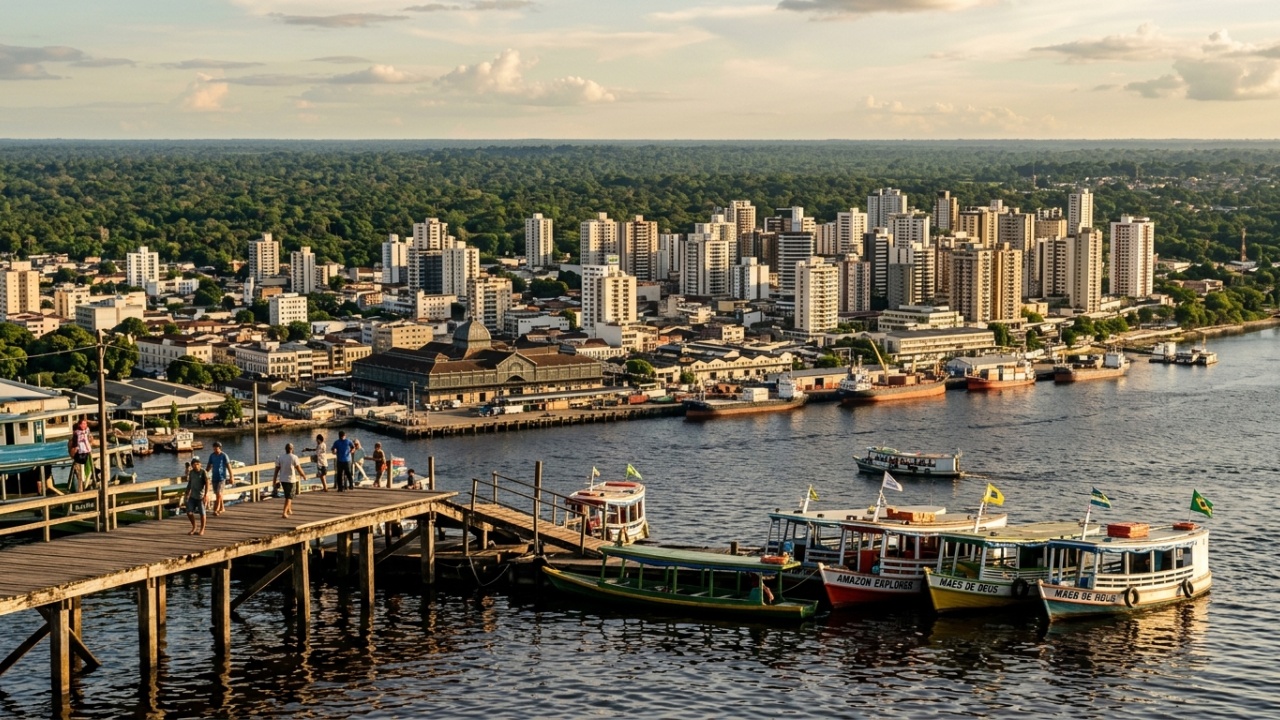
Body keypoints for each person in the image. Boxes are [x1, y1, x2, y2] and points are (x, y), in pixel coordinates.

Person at [272, 442, 307, 519]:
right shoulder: (294, 457)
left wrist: (274, 480)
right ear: (292, 449)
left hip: (283, 479)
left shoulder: (281, 457)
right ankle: (284, 512)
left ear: (285, 449)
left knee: (288, 495)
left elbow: (276, 470)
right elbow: (298, 468)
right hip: (291, 479)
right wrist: (303, 475)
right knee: (289, 496)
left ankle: (289, 509)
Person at [181, 458, 211, 536]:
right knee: (189, 512)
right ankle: (194, 527)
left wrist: (206, 495)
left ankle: (202, 529)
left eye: (197, 464)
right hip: (193, 496)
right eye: (194, 464)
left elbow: (207, 483)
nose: (196, 466)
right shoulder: (191, 472)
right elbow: (190, 483)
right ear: (192, 465)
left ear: (200, 464)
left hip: (201, 496)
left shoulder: (203, 472)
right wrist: (187, 492)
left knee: (202, 513)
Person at [206, 441, 232, 516]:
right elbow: (209, 466)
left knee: (219, 493)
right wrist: (204, 473)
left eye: (216, 448)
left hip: (222, 477)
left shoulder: (224, 455)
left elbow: (229, 466)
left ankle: (216, 510)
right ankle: (222, 508)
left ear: (220, 448)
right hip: (214, 477)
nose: (215, 450)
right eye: (214, 448)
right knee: (218, 494)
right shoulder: (212, 456)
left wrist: (231, 476)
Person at [70, 416, 93, 492]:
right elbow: (72, 450)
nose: (84, 425)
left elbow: (90, 441)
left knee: (87, 472)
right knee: (80, 476)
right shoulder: (75, 437)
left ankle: (86, 486)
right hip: (78, 457)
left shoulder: (86, 432)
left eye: (85, 424)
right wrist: (74, 452)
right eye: (83, 424)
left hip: (85, 454)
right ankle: (81, 489)